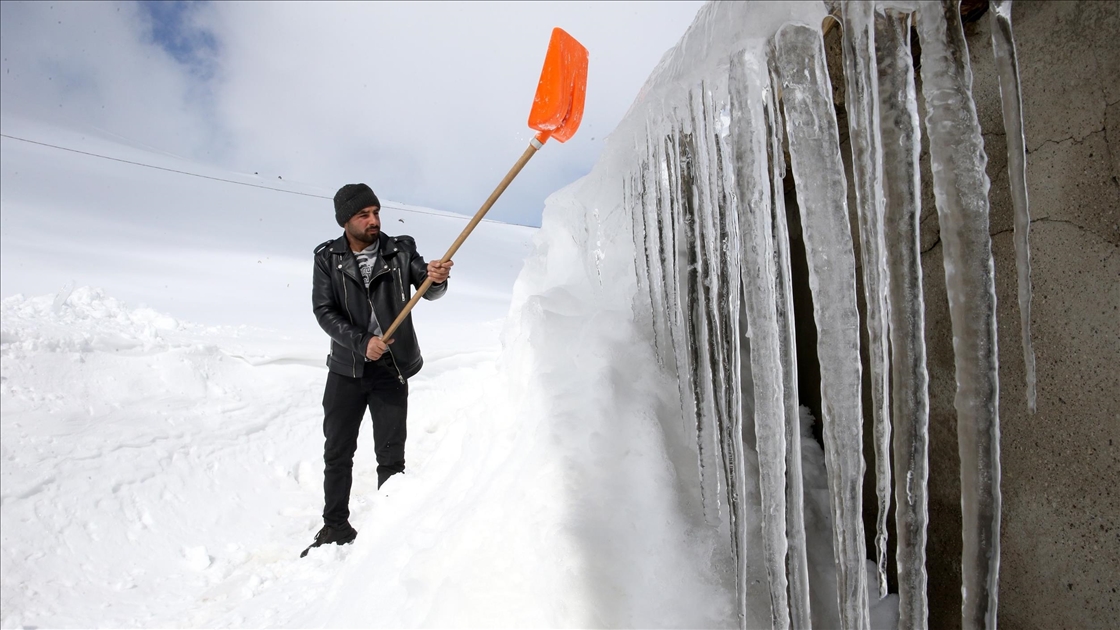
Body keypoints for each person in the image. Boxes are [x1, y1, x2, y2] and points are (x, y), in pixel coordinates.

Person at [302, 183, 452, 557]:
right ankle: (335, 527)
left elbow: (427, 289)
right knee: (337, 452)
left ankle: (391, 533)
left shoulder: (399, 249)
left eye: (376, 212)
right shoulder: (327, 258)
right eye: (363, 215)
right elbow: (324, 311)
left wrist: (437, 276)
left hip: (390, 369)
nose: (374, 220)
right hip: (346, 369)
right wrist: (359, 341)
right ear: (345, 221)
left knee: (391, 456)